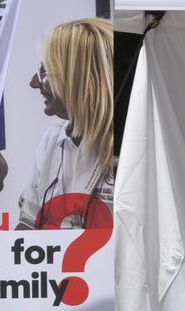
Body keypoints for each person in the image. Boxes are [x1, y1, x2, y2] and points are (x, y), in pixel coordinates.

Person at [17, 17, 115, 230]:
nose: (34, 82)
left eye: (44, 71)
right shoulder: (53, 139)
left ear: (79, 77)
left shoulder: (132, 142)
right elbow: (27, 229)